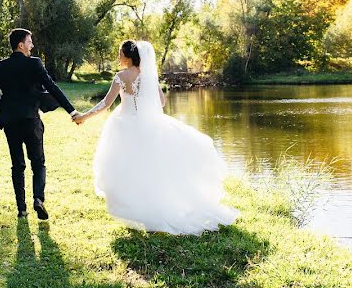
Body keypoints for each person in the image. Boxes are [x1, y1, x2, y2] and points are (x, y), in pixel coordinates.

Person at [74, 40, 237, 235]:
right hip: (148, 127)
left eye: (120, 54)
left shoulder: (121, 76)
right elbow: (161, 101)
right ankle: (152, 209)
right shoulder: (149, 76)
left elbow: (105, 104)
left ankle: (137, 210)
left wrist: (83, 116)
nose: (118, 57)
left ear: (128, 57)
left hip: (125, 128)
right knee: (151, 170)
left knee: (127, 170)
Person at [0, 28, 80, 220]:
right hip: (31, 120)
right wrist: (72, 111)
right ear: (21, 45)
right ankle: (38, 199)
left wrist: (6, 107)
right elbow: (52, 87)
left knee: (17, 165)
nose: (32, 45)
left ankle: (21, 209)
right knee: (38, 163)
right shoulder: (34, 63)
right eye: (30, 42)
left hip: (10, 122)